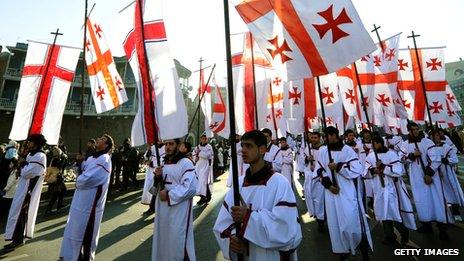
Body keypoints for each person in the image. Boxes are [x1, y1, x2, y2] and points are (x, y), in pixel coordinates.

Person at [213, 130, 302, 260]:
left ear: (262, 150)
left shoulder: (279, 182)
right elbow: (223, 223)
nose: (243, 150)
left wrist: (247, 216)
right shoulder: (238, 184)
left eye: (248, 146)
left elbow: (285, 228)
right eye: (242, 145)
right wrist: (234, 238)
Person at [315, 127, 372, 260]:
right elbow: (319, 170)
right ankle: (343, 252)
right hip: (331, 194)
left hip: (346, 192)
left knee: (352, 223)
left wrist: (339, 167)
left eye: (327, 136)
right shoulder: (323, 151)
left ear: (334, 135)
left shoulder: (347, 150)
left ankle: (363, 249)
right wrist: (328, 185)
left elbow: (357, 169)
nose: (325, 138)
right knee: (335, 224)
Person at [60, 134, 114, 260]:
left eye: (102, 139)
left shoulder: (105, 159)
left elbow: (91, 178)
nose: (99, 139)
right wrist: (80, 161)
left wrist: (78, 181)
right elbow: (84, 169)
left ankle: (86, 257)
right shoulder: (92, 158)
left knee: (87, 230)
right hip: (80, 198)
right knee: (76, 227)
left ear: (106, 145)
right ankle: (75, 254)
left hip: (91, 202)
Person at [400, 124, 453, 240]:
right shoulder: (405, 145)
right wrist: (412, 155)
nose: (415, 131)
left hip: (431, 177)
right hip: (416, 178)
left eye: (416, 129)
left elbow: (436, 159)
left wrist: (429, 173)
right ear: (408, 131)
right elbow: (401, 159)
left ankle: (442, 229)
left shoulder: (427, 142)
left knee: (437, 201)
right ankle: (426, 224)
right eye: (412, 130)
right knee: (421, 201)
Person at [152, 138, 198, 261]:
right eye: (166, 144)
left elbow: (191, 188)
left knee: (177, 242)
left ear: (178, 145)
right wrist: (157, 177)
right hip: (162, 210)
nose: (167, 147)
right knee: (163, 241)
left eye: (171, 144)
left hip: (179, 210)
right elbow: (154, 189)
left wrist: (169, 195)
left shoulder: (186, 163)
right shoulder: (163, 163)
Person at [365, 135, 415, 246]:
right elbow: (365, 172)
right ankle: (390, 236)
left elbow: (399, 170)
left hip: (392, 188)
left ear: (380, 143)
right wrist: (373, 171)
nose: (373, 145)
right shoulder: (371, 156)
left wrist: (383, 167)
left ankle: (404, 234)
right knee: (384, 213)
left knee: (394, 213)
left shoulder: (391, 154)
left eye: (375, 143)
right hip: (379, 189)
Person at [3, 134, 47, 252]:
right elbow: (23, 171)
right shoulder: (30, 154)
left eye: (31, 142)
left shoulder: (40, 155)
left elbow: (28, 173)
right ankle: (16, 238)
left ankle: (18, 240)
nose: (28, 143)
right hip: (22, 188)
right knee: (18, 213)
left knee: (20, 214)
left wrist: (22, 164)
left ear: (37, 143)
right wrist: (21, 164)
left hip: (28, 191)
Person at [303, 131, 326, 232]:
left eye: (315, 137)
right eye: (312, 137)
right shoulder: (308, 148)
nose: (313, 139)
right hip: (309, 178)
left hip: (319, 178)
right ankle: (316, 215)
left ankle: (321, 221)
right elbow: (302, 160)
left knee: (320, 200)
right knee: (310, 197)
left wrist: (316, 166)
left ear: (319, 138)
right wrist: (307, 159)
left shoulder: (324, 149)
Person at [141, 141, 165, 215]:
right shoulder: (153, 147)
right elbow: (146, 156)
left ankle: (153, 207)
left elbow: (163, 160)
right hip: (150, 172)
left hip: (158, 171)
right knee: (150, 189)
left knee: (155, 190)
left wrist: (151, 163)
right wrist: (149, 150)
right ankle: (152, 206)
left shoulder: (164, 148)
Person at [45, 146, 67, 214]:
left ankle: (59, 205)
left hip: (56, 178)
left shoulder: (52, 158)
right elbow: (60, 167)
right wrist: (63, 159)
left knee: (62, 190)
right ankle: (49, 209)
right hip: (56, 178)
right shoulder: (57, 159)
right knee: (56, 193)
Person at [193, 134, 214, 205]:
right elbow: (194, 154)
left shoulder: (209, 147)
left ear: (207, 139)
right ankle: (207, 196)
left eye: (205, 138)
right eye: (202, 138)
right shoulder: (197, 147)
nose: (204, 140)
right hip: (199, 165)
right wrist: (195, 156)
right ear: (200, 139)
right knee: (199, 182)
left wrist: (199, 152)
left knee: (203, 181)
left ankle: (204, 197)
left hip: (205, 166)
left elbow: (207, 155)